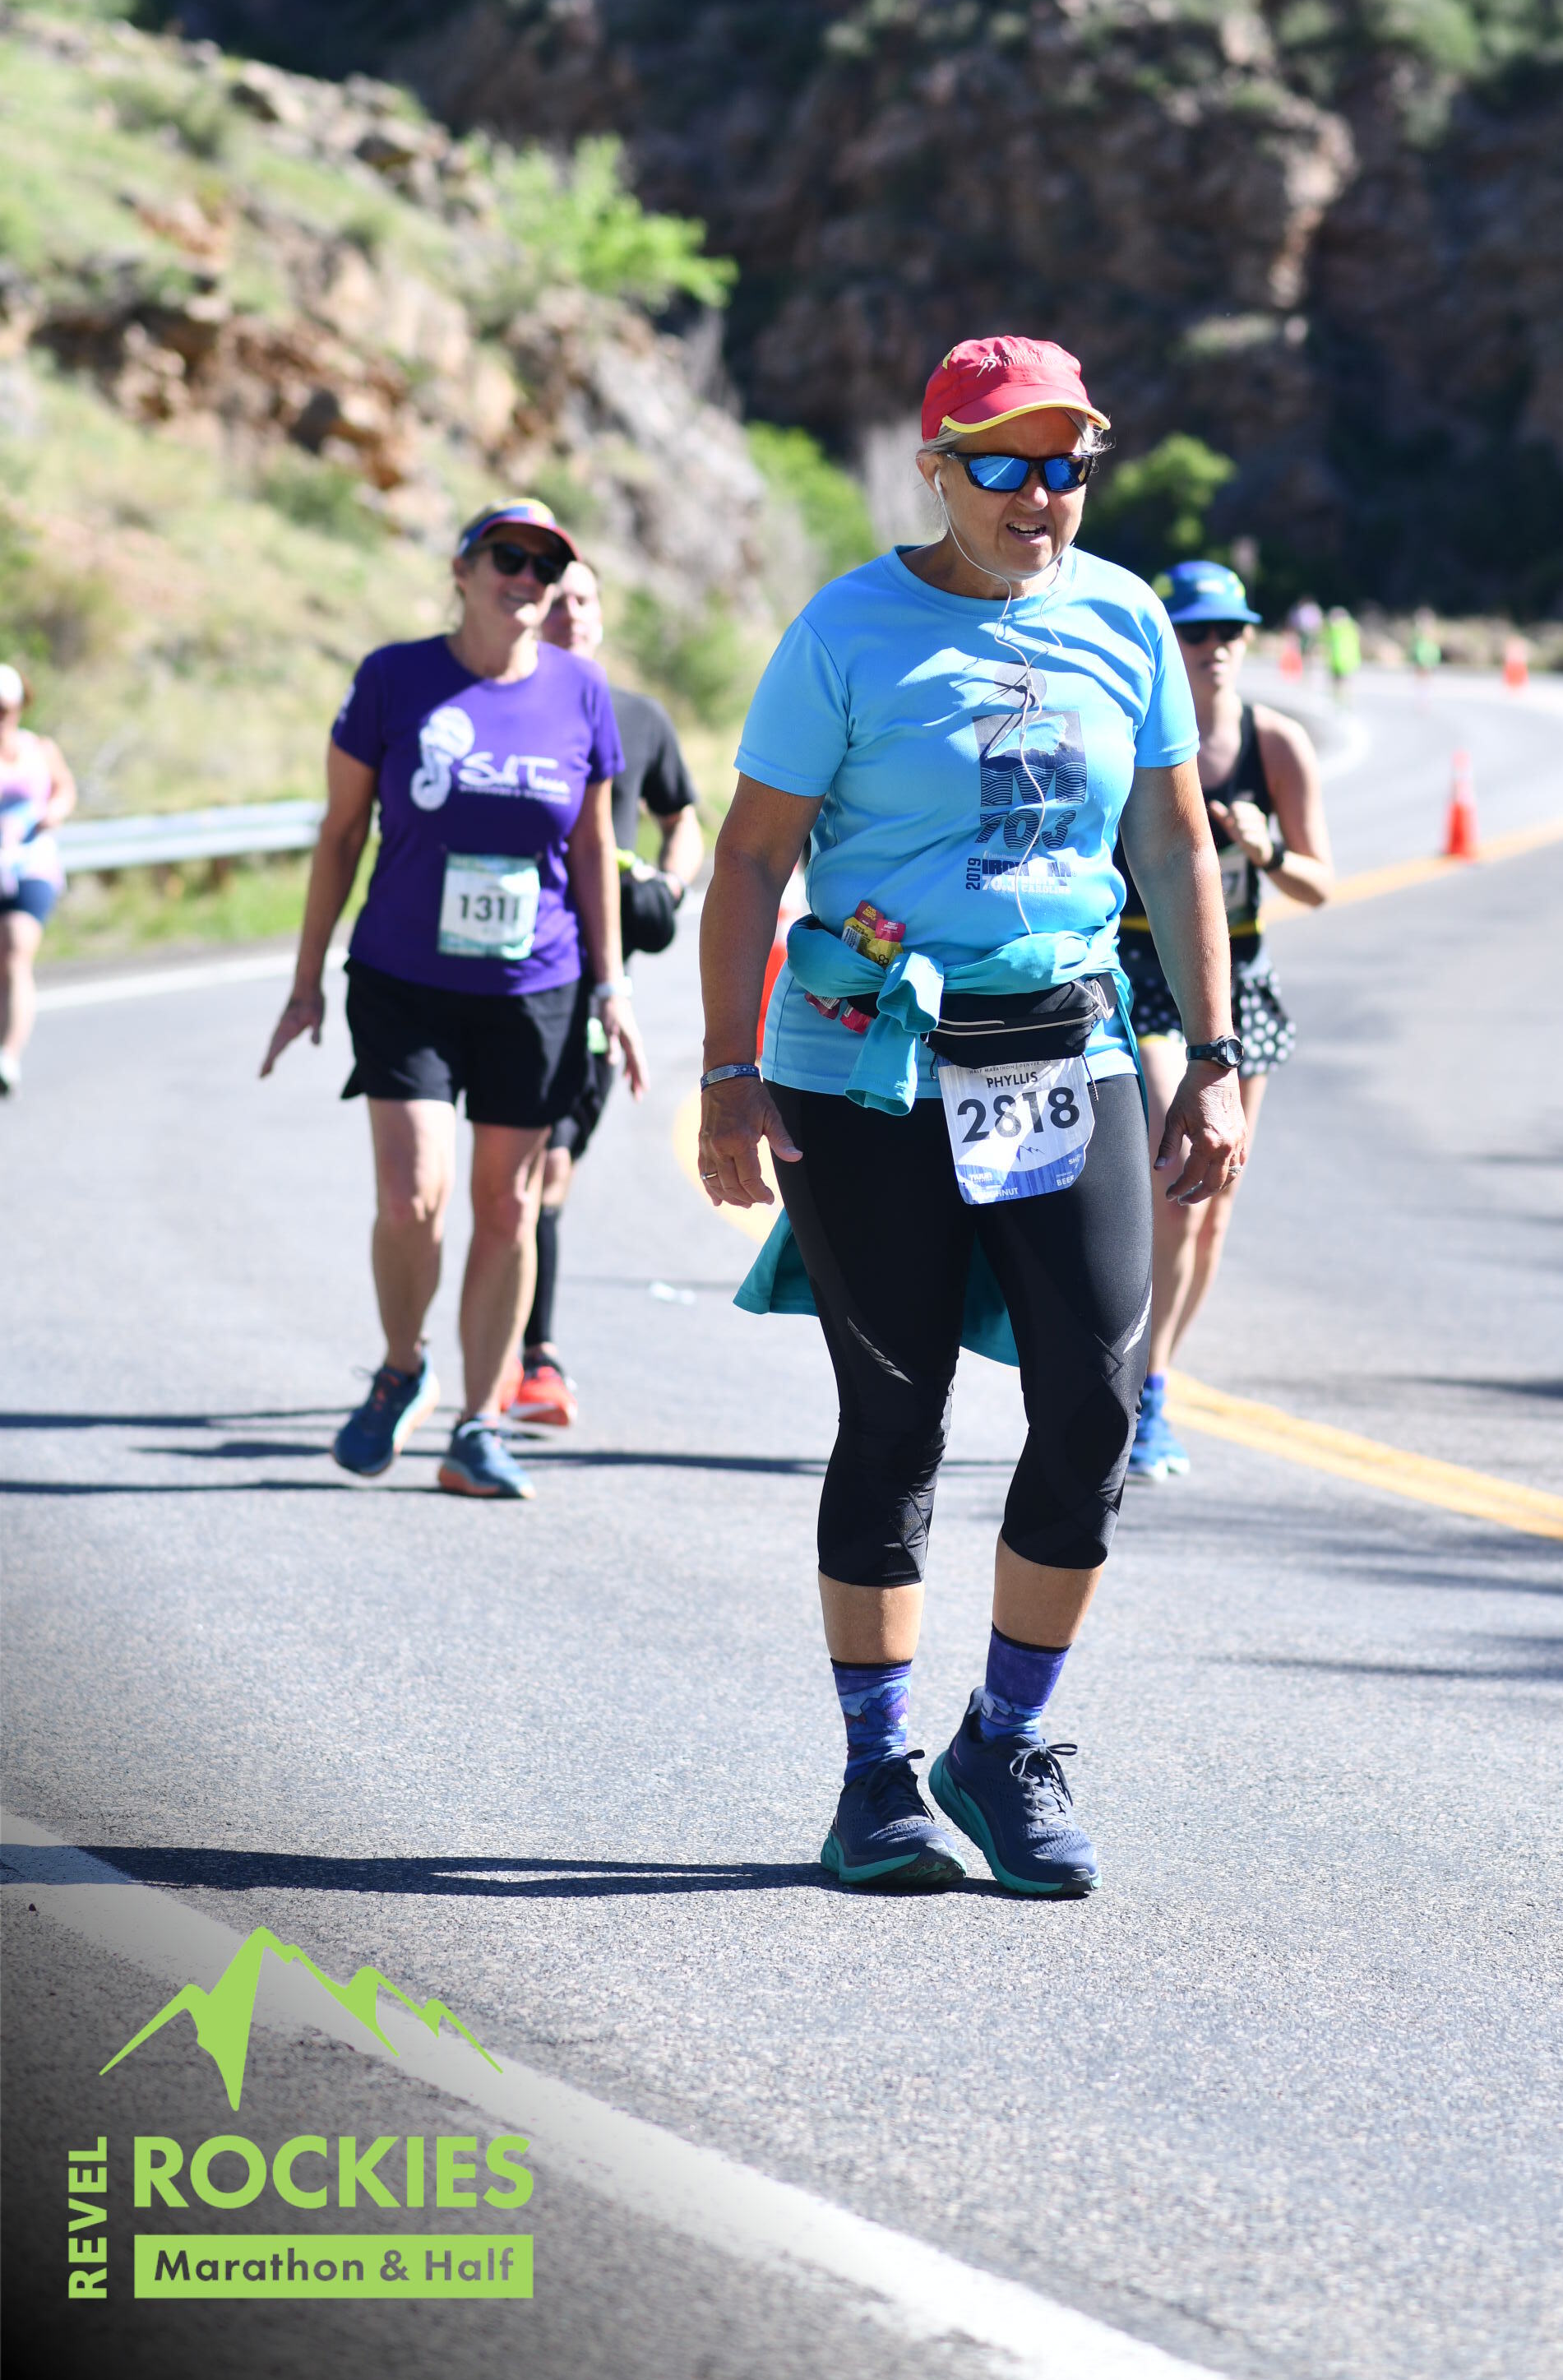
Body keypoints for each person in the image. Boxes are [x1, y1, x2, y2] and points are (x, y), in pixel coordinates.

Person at [698, 336, 1245, 1900]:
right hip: (866, 1064)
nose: (1038, 492)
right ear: (934, 469)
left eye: (1066, 462)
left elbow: (1171, 841)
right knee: (897, 1418)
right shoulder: (847, 630)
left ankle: (1002, 1744)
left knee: (1094, 1405)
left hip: (1064, 1047)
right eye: (1001, 461)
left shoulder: (1125, 618)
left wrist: (1211, 1055)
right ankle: (875, 1776)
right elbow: (750, 858)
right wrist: (729, 1074)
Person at [259, 500, 649, 1501]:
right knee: (411, 1196)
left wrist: (611, 987)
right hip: (404, 981)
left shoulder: (580, 689)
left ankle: (478, 1426)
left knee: (508, 1208)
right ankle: (402, 1369)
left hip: (536, 987)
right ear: (462, 570)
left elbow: (592, 846)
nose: (527, 578)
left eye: (545, 566)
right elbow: (340, 834)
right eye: (508, 557)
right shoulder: (393, 678)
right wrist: (304, 982)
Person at [1117, 563, 1332, 1480]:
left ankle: (1156, 1384)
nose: (1214, 649)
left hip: (1238, 974)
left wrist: (1266, 849)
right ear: (1168, 642)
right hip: (1141, 969)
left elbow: (1319, 883)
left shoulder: (1274, 745)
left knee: (1214, 1204)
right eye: (1195, 632)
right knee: (1177, 1175)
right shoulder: (1133, 735)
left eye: (1230, 632)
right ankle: (1135, 1385)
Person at [509, 555, 703, 1430]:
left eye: (584, 599)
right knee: (529, 1170)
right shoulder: (503, 708)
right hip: (509, 977)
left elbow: (682, 819)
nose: (571, 614)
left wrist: (668, 884)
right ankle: (529, 1356)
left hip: (598, 987)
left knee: (547, 1171)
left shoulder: (638, 717)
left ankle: (511, 1345)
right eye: (556, 600)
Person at [0, 663, 76, 1099]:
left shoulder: (40, 749)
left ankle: (8, 1056)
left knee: (15, 950)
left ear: (19, 708)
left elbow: (65, 788)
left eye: (4, 709)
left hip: (32, 866)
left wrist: (55, 812)